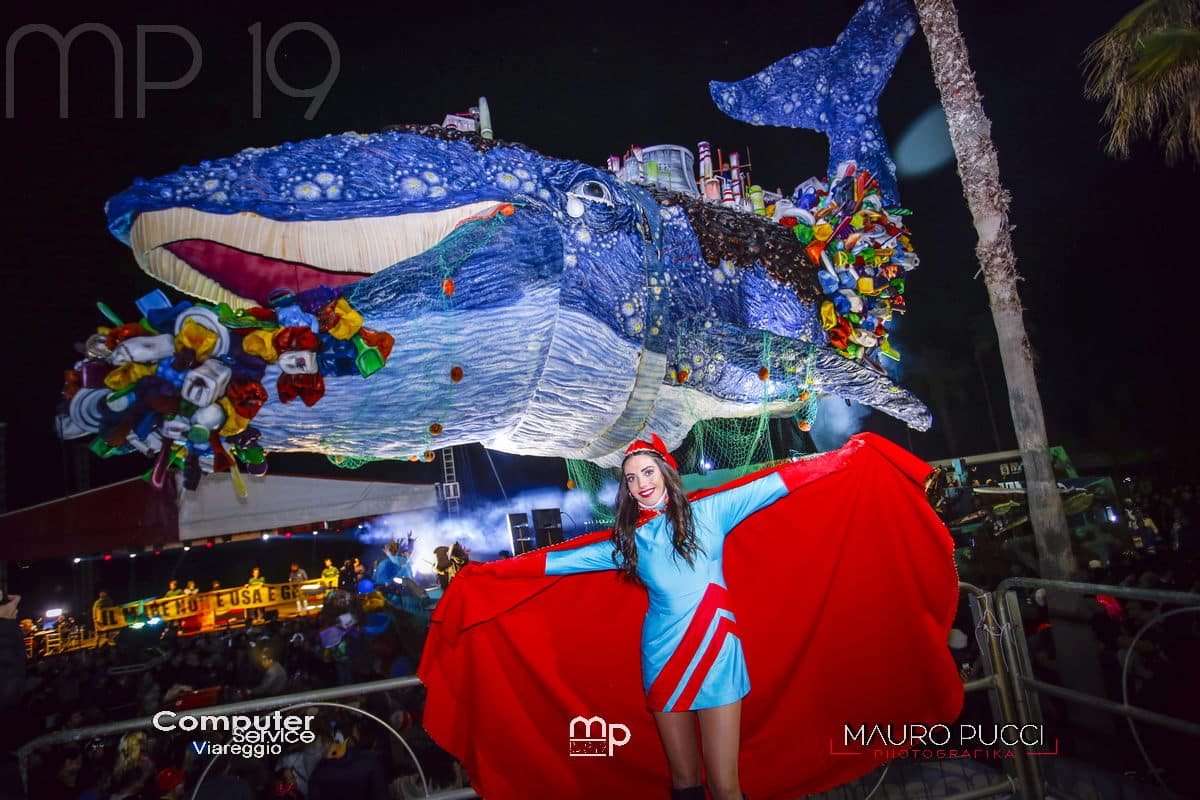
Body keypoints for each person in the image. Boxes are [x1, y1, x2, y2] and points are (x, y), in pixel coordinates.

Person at [419, 433, 965, 800]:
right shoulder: (626, 542)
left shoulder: (713, 511)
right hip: (660, 661)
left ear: (666, 472)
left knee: (725, 787)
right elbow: (552, 563)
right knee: (684, 781)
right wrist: (485, 576)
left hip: (718, 654)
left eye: (646, 471)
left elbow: (783, 482)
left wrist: (852, 455)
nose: (639, 483)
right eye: (630, 477)